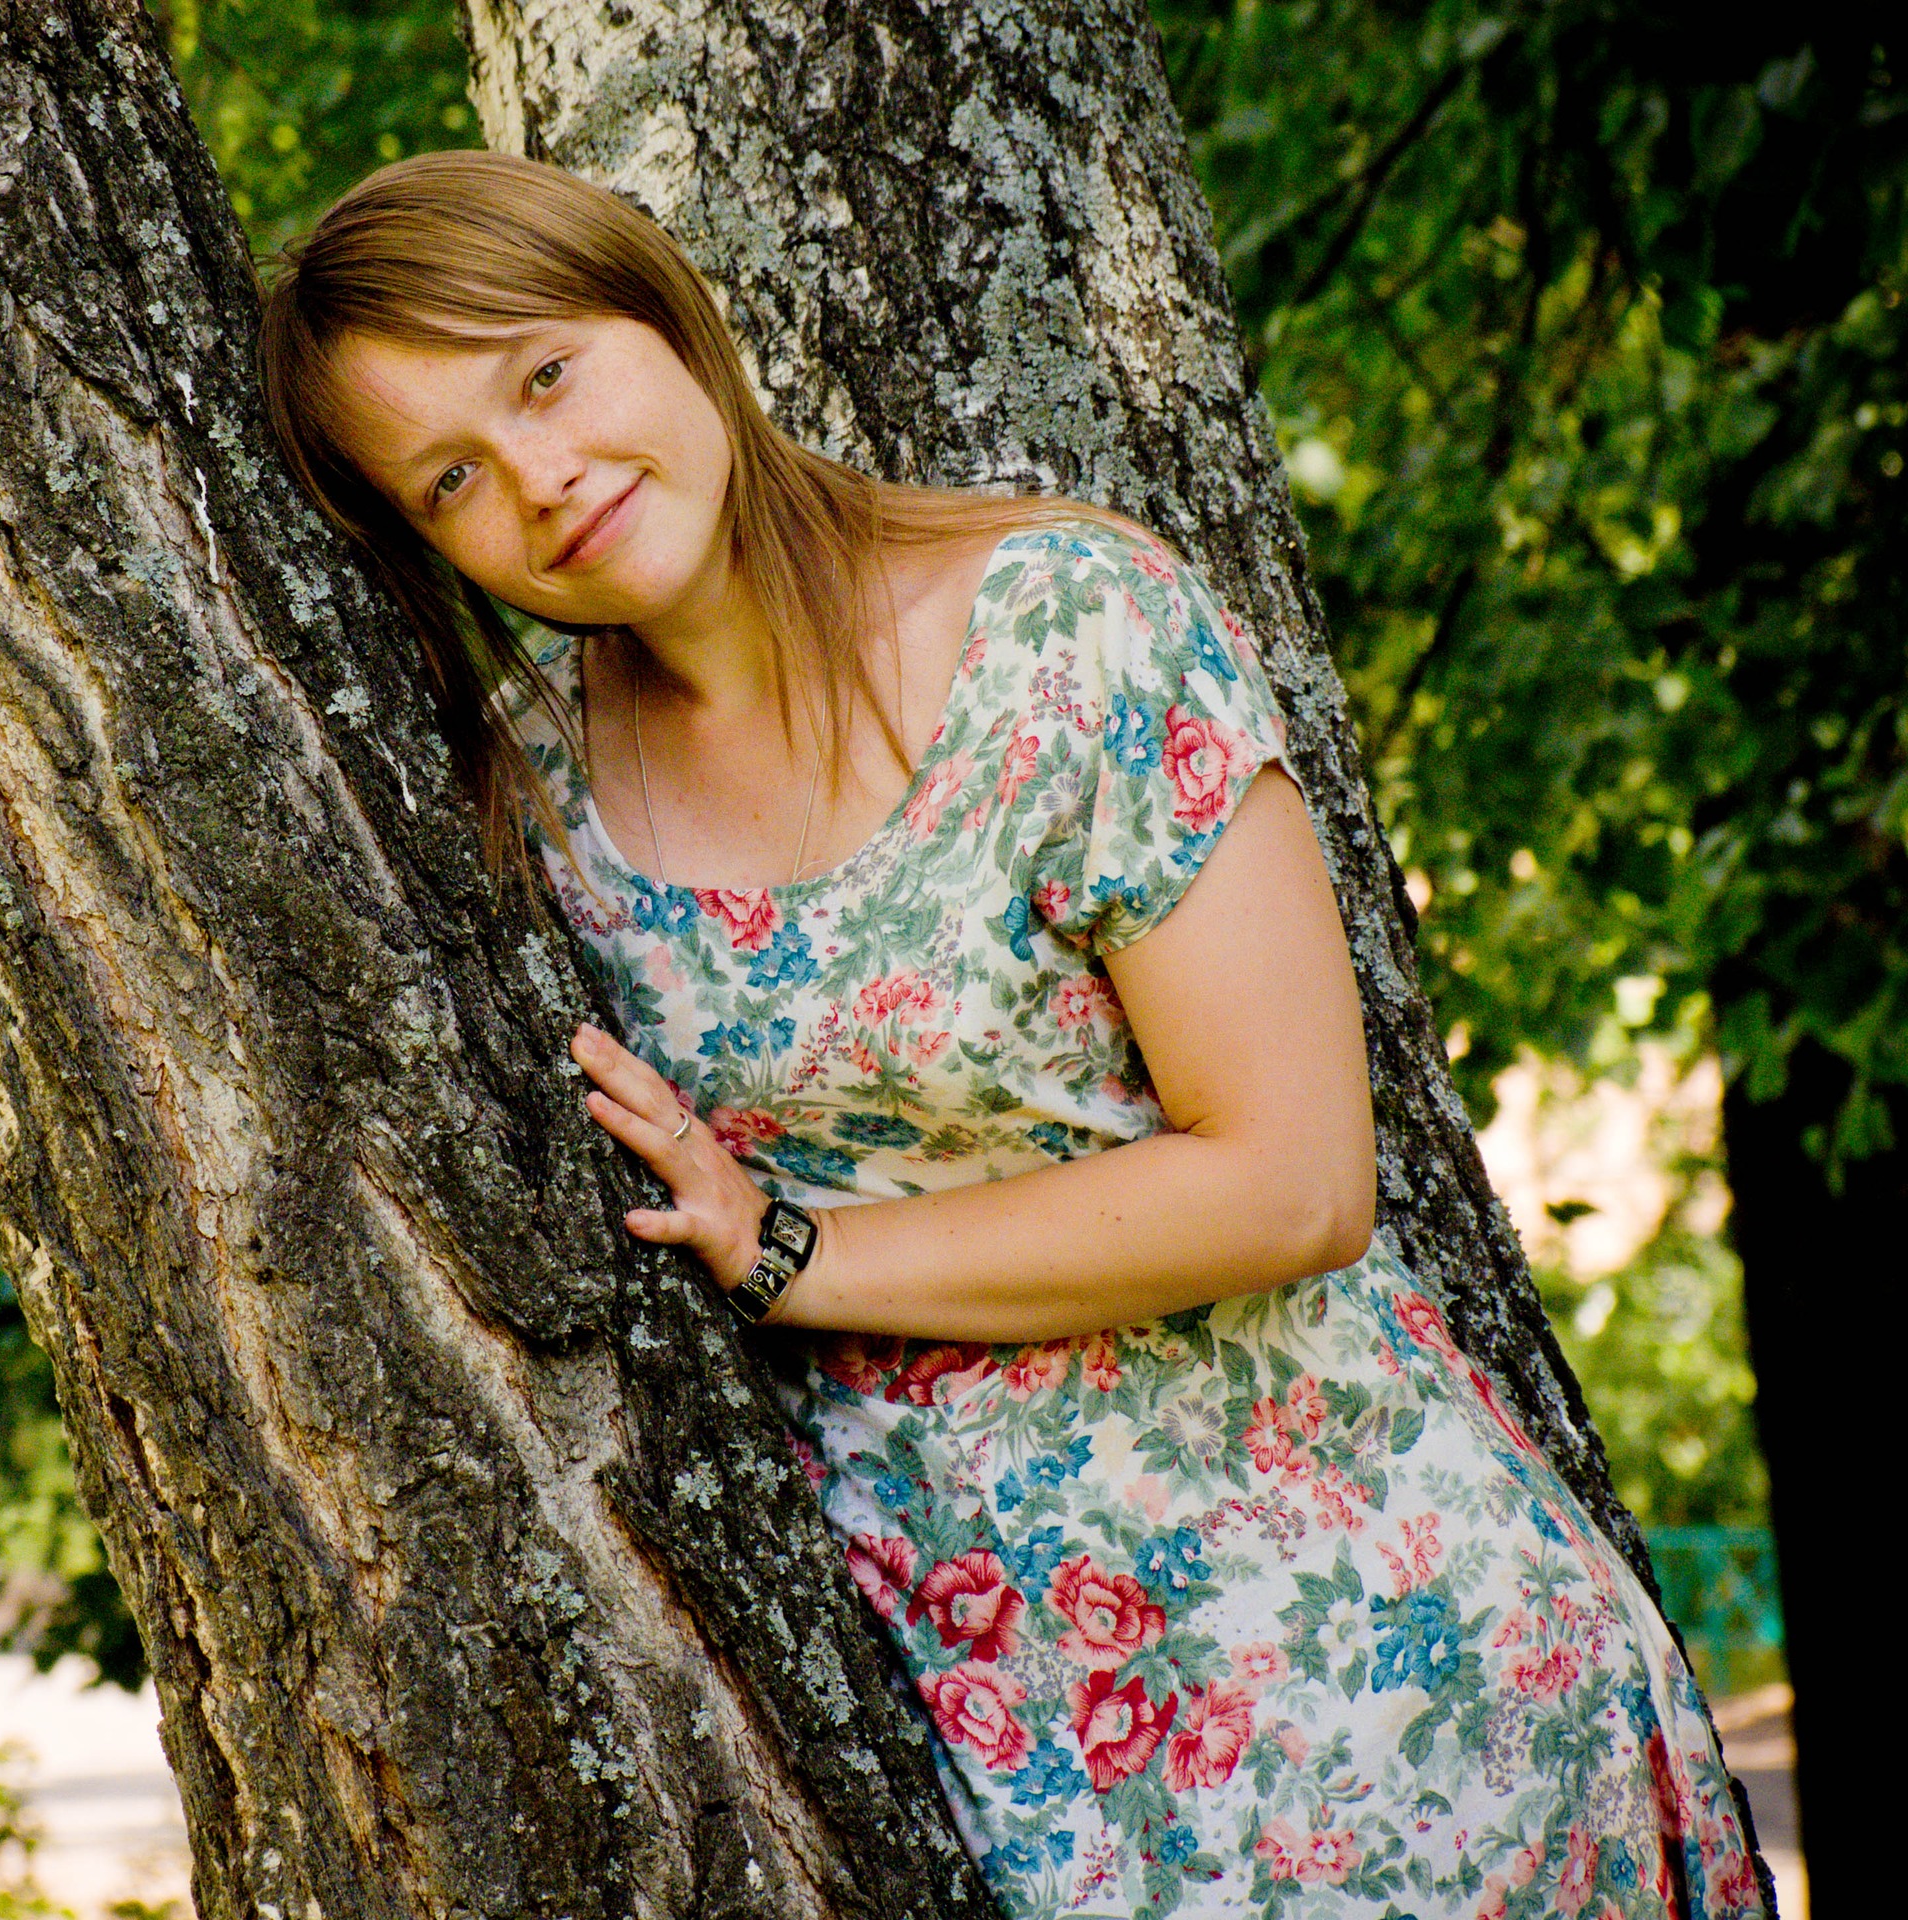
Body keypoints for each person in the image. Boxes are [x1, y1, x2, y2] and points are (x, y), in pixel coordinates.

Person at [257, 149, 1764, 1919]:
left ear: (659, 312)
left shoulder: (1068, 624)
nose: (541, 477)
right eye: (450, 476)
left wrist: (792, 1252)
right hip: (999, 1748)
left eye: (544, 375)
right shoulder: (527, 811)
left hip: (1374, 1672)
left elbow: (1294, 1184)